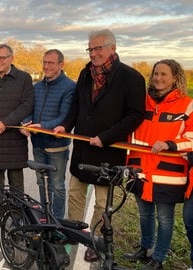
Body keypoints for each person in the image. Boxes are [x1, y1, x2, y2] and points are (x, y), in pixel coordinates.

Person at [53, 29, 146, 262]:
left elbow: (135, 115)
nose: (93, 53)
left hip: (108, 151)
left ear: (112, 48)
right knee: (75, 194)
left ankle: (95, 240)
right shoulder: (86, 74)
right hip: (83, 148)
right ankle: (74, 233)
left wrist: (106, 137)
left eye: (98, 48)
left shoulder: (131, 78)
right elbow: (76, 106)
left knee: (102, 203)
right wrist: (65, 125)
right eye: (90, 49)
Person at [122, 59, 193, 270]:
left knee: (164, 218)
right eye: (156, 74)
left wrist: (170, 144)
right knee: (144, 213)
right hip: (140, 168)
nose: (158, 78)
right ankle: (146, 249)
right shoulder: (141, 101)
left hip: (167, 173)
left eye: (163, 74)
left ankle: (159, 258)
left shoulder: (186, 104)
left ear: (175, 78)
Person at [0, 43, 34, 224]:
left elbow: (27, 105)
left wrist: (6, 122)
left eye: (2, 58)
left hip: (14, 138)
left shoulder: (24, 78)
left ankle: (18, 212)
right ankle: (0, 208)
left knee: (16, 180)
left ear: (11, 58)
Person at [20, 49, 75, 219]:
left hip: (57, 147)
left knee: (57, 185)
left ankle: (58, 221)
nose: (46, 66)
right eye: (44, 62)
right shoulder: (37, 87)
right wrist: (26, 123)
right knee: (41, 182)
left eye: (51, 62)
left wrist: (42, 126)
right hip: (37, 144)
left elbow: (64, 117)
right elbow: (30, 110)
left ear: (61, 64)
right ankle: (46, 215)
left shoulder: (70, 87)